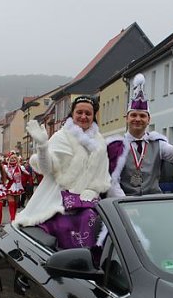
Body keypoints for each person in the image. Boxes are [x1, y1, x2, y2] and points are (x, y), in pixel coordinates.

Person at [13, 95, 111, 250]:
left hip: (88, 202)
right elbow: (46, 169)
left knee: (101, 230)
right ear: (72, 114)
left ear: (94, 116)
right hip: (56, 199)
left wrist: (91, 191)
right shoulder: (61, 136)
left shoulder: (99, 141)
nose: (83, 116)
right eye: (79, 112)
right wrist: (43, 145)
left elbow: (101, 177)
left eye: (88, 113)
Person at [3, 152, 27, 222]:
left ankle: (14, 217)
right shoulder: (6, 168)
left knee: (16, 204)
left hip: (18, 187)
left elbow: (28, 175)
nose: (13, 159)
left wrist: (24, 172)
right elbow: (4, 177)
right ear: (9, 160)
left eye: (14, 158)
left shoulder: (20, 167)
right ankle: (12, 218)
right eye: (11, 158)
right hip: (9, 187)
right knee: (11, 203)